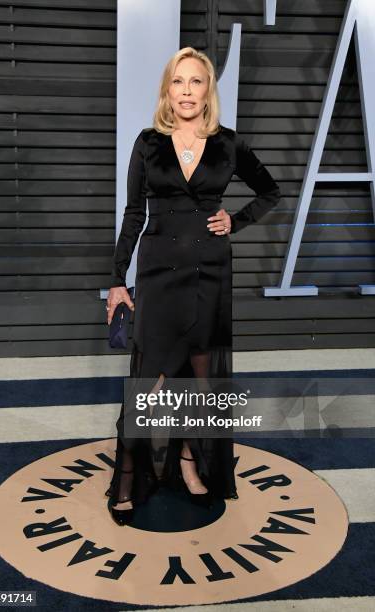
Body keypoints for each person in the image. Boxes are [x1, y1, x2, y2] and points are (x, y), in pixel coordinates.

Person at [105, 46, 281, 525]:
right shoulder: (147, 142)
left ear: (208, 92)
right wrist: (117, 280)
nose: (186, 90)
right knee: (148, 383)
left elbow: (270, 190)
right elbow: (133, 213)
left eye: (196, 82)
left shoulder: (228, 144)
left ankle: (188, 463)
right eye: (178, 82)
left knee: (199, 383)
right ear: (168, 89)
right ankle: (126, 477)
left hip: (210, 273)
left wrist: (236, 219)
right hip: (159, 275)